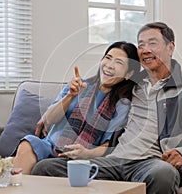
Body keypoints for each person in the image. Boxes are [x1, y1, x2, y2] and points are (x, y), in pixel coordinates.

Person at [31, 22, 182, 194]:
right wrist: (59, 106)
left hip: (150, 163)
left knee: (163, 174)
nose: (145, 49)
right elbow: (102, 83)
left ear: (170, 47)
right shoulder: (132, 85)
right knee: (45, 168)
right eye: (141, 45)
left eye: (152, 43)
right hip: (113, 160)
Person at [10, 41, 141, 174]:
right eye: (108, 58)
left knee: (40, 166)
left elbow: (108, 145)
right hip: (48, 146)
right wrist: (70, 96)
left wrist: (87, 153)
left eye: (119, 62)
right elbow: (48, 120)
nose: (110, 65)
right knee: (28, 144)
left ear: (128, 74)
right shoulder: (78, 85)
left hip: (77, 157)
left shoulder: (122, 105)